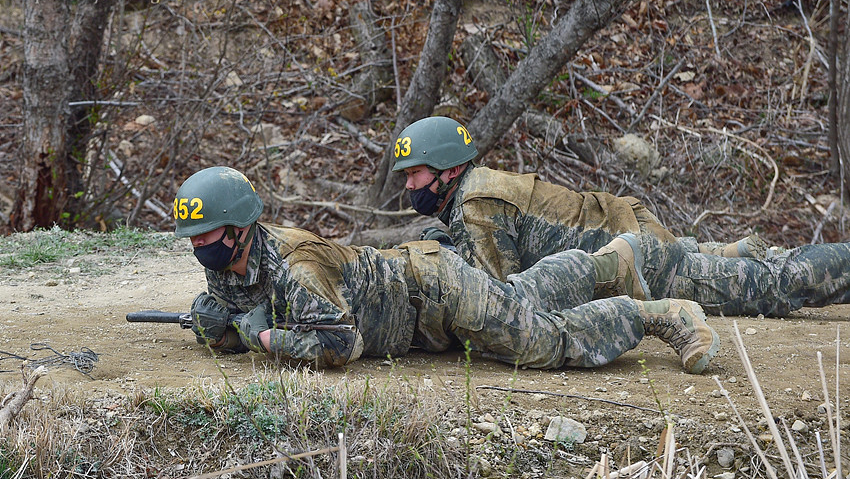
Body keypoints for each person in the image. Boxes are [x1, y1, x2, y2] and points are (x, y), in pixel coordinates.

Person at [174, 166, 721, 374]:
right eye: (193, 237)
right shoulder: (229, 263)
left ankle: (654, 314)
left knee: (541, 345)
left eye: (208, 233)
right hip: (422, 313)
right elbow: (238, 308)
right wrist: (216, 322)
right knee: (518, 298)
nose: (200, 246)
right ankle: (606, 266)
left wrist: (265, 338)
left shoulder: (297, 267)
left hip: (435, 290)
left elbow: (340, 344)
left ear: (241, 226)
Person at [392, 116, 850, 318]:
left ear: (449, 168)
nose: (409, 186)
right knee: (746, 270)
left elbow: (502, 302)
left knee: (773, 286)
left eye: (415, 174)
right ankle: (717, 250)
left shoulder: (474, 207)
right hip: (626, 231)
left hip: (635, 256)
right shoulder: (476, 188)